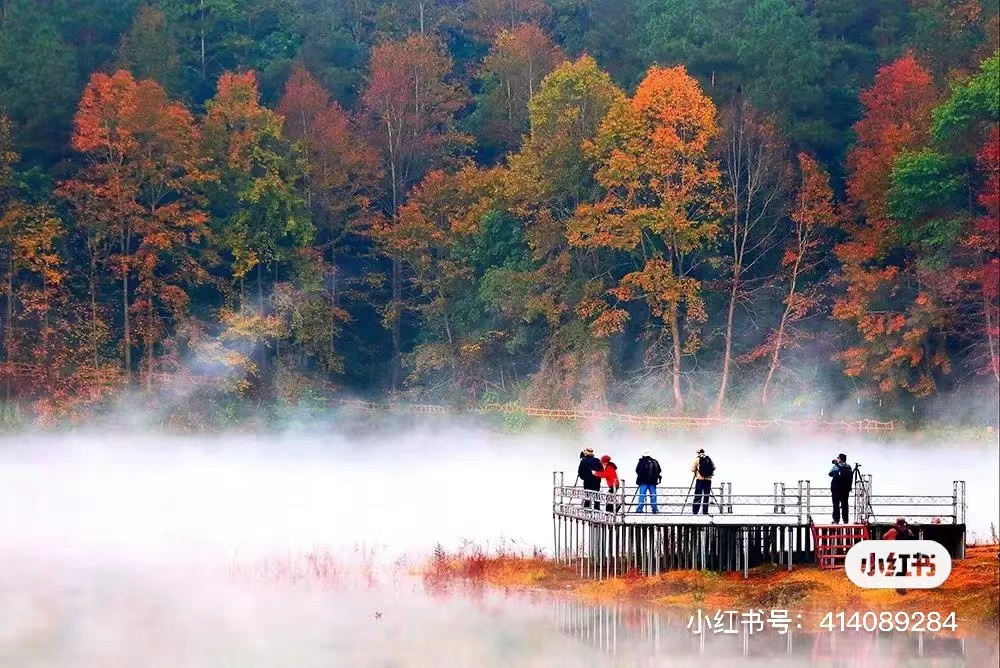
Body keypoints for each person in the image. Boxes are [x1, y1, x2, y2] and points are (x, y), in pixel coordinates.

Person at [828, 453, 853, 524]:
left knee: (836, 504)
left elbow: (830, 473)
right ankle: (845, 520)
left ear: (840, 459)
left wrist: (836, 464)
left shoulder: (837, 466)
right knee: (845, 504)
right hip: (846, 489)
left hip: (837, 489)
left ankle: (836, 520)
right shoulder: (849, 467)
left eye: (837, 458)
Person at [690, 448, 715, 515]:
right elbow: (714, 467)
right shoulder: (708, 459)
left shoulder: (697, 459)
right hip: (708, 480)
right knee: (706, 496)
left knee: (698, 495)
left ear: (698, 453)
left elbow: (692, 468)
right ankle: (705, 511)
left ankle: (695, 511)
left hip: (700, 480)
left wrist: (696, 472)